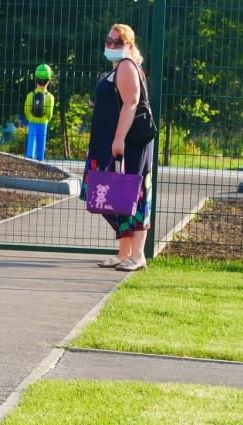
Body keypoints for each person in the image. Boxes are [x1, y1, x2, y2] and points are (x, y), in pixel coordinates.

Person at [85, 24, 154, 272]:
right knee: (113, 197)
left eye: (118, 42)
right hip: (109, 142)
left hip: (128, 144)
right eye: (109, 41)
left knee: (133, 194)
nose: (111, 45)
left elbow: (132, 103)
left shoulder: (126, 65)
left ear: (129, 45)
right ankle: (124, 252)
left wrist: (119, 139)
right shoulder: (116, 69)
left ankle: (138, 255)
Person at [23, 64, 55, 161]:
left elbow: (26, 110)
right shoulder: (50, 97)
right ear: (49, 80)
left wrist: (30, 118)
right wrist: (46, 119)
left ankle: (29, 157)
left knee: (31, 140)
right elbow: (49, 114)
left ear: (35, 79)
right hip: (43, 123)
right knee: (41, 142)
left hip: (32, 121)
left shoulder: (30, 95)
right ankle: (40, 159)